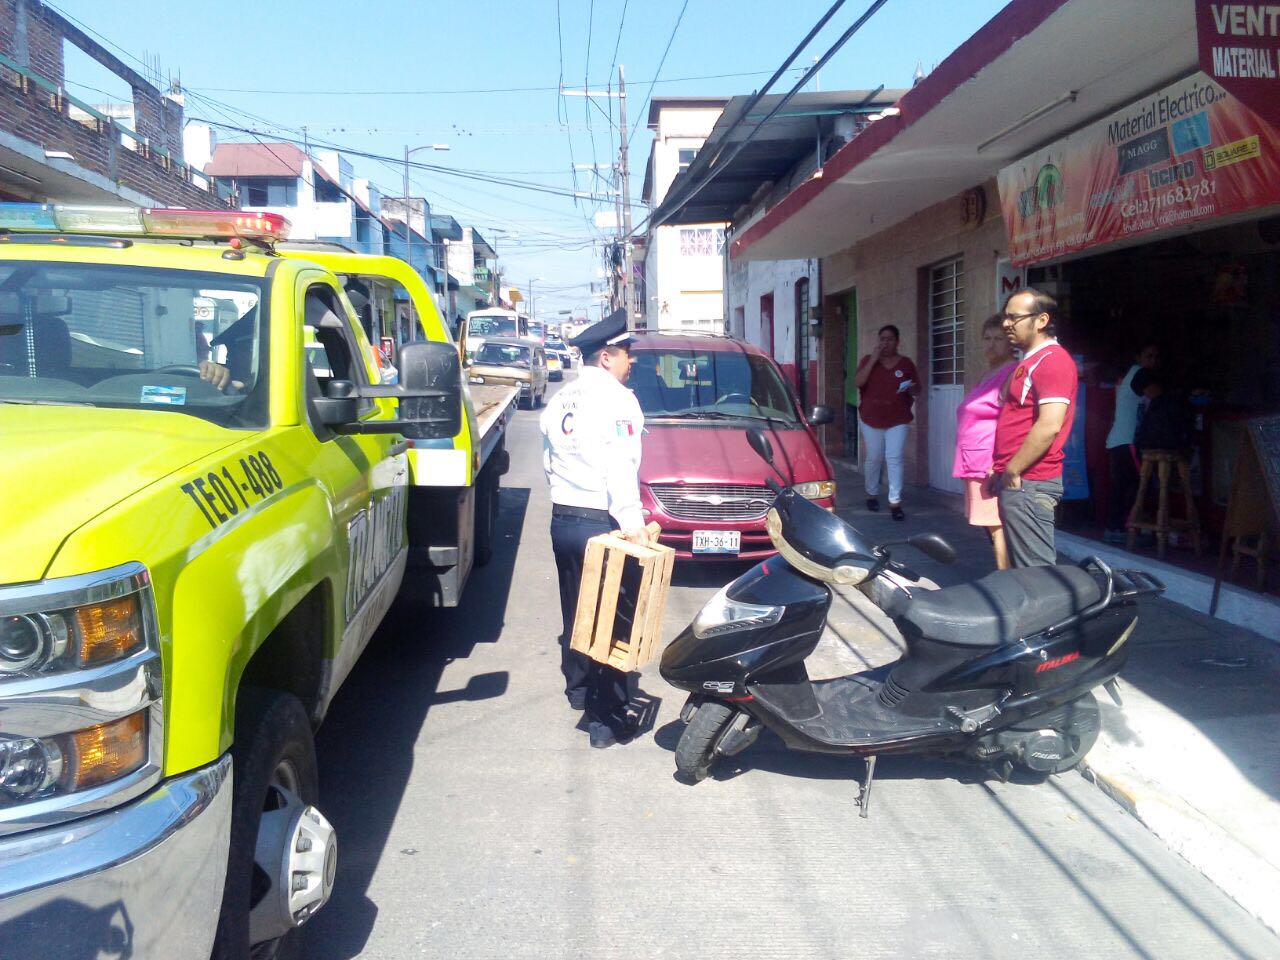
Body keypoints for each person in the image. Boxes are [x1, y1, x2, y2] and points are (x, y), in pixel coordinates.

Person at [540, 312, 647, 749]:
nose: (631, 361)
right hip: (601, 523)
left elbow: (548, 461)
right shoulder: (618, 400)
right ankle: (606, 720)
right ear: (605, 357)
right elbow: (621, 466)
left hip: (563, 518)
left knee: (576, 609)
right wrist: (633, 524)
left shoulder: (561, 398)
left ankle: (579, 688)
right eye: (626, 353)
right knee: (611, 620)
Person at [989, 289, 1078, 568]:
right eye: (1005, 317)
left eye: (1014, 317)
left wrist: (1013, 469)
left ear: (1041, 320)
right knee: (1023, 571)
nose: (1006, 324)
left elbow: (1049, 425)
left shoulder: (1053, 361)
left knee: (1037, 574)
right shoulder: (1028, 361)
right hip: (1019, 480)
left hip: (1030, 481)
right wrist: (1000, 467)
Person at [953, 315, 1018, 569]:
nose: (991, 344)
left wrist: (997, 464)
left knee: (996, 526)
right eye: (987, 338)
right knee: (990, 527)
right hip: (974, 460)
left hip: (987, 462)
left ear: (1011, 342)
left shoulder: (1011, 373)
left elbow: (1011, 422)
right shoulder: (990, 373)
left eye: (998, 339)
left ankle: (1006, 579)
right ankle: (1004, 574)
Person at [853, 324, 921, 521]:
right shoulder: (868, 360)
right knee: (874, 457)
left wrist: (911, 389)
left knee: (894, 457)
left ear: (897, 342)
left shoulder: (906, 363)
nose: (886, 343)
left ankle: (895, 502)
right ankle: (871, 494)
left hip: (898, 418)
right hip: (871, 418)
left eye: (890, 339)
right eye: (882, 339)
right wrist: (873, 359)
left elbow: (917, 390)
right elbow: (858, 382)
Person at [1103, 344, 1161, 543]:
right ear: (1139, 357)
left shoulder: (1129, 375)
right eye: (1149, 356)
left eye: (1156, 357)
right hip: (1129, 440)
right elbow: (1159, 397)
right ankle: (1131, 528)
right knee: (1141, 484)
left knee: (1123, 486)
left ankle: (1116, 528)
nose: (1153, 361)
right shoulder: (1142, 374)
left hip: (1118, 439)